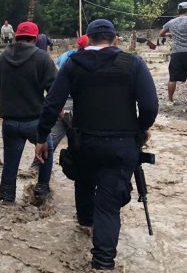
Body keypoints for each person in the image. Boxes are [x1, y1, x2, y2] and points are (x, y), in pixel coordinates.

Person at [35, 19, 158, 270]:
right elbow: (150, 106)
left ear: (87, 39)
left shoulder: (73, 63)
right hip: (121, 145)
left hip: (84, 142)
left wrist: (41, 137)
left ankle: (84, 224)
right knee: (109, 206)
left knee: (84, 182)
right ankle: (103, 262)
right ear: (115, 39)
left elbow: (52, 104)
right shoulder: (133, 63)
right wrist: (141, 129)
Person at [0, 21, 56, 204]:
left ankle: (7, 199)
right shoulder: (43, 58)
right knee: (46, 152)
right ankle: (41, 191)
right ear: (34, 38)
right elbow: (54, 93)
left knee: (10, 163)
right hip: (35, 122)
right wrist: (55, 115)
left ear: (15, 36)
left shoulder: (0, 59)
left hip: (9, 122)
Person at [29, 34, 89, 171]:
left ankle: (35, 169)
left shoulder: (67, 55)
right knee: (83, 139)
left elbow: (57, 73)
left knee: (52, 139)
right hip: (77, 104)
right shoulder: (90, 60)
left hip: (60, 103)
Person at [159, 1, 187, 106]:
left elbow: (161, 34)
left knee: (173, 78)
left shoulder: (172, 22)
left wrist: (170, 34)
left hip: (177, 53)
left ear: (179, 10)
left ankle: (170, 100)